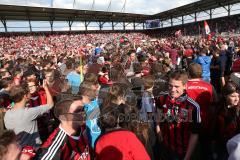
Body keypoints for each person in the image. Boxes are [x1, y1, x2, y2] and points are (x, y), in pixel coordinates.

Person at [34, 88, 94, 160]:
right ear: (63, 117)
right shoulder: (56, 149)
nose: (84, 113)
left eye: (84, 109)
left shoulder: (83, 128)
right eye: (78, 111)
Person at [156, 70, 201, 160]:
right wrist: (157, 127)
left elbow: (194, 134)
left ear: (185, 86)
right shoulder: (161, 98)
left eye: (176, 86)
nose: (172, 89)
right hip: (165, 146)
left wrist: (187, 157)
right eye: (170, 85)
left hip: (182, 151)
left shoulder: (193, 107)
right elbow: (159, 111)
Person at [4, 80, 54, 149]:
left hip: (17, 149)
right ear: (25, 96)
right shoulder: (29, 112)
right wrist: (46, 88)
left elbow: (13, 103)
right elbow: (50, 105)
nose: (30, 91)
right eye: (29, 92)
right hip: (33, 149)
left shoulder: (7, 113)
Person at [186, 63, 217, 159]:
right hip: (205, 122)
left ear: (188, 73)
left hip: (188, 123)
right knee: (205, 150)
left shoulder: (183, 86)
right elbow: (214, 105)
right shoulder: (209, 86)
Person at [215, 82, 240, 159]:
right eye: (233, 96)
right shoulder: (219, 108)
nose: (237, 99)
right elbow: (215, 129)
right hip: (222, 146)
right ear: (225, 96)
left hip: (236, 147)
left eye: (238, 96)